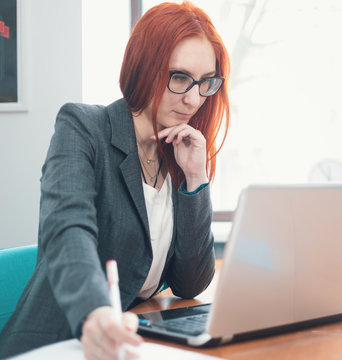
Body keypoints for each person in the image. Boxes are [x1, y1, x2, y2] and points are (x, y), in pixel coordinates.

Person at [0, 2, 230, 359]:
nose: (193, 98)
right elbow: (67, 230)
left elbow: (190, 282)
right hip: (61, 341)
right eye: (180, 77)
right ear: (144, 67)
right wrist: (96, 311)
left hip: (137, 339)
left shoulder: (176, 149)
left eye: (205, 83)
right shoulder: (83, 127)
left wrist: (195, 178)